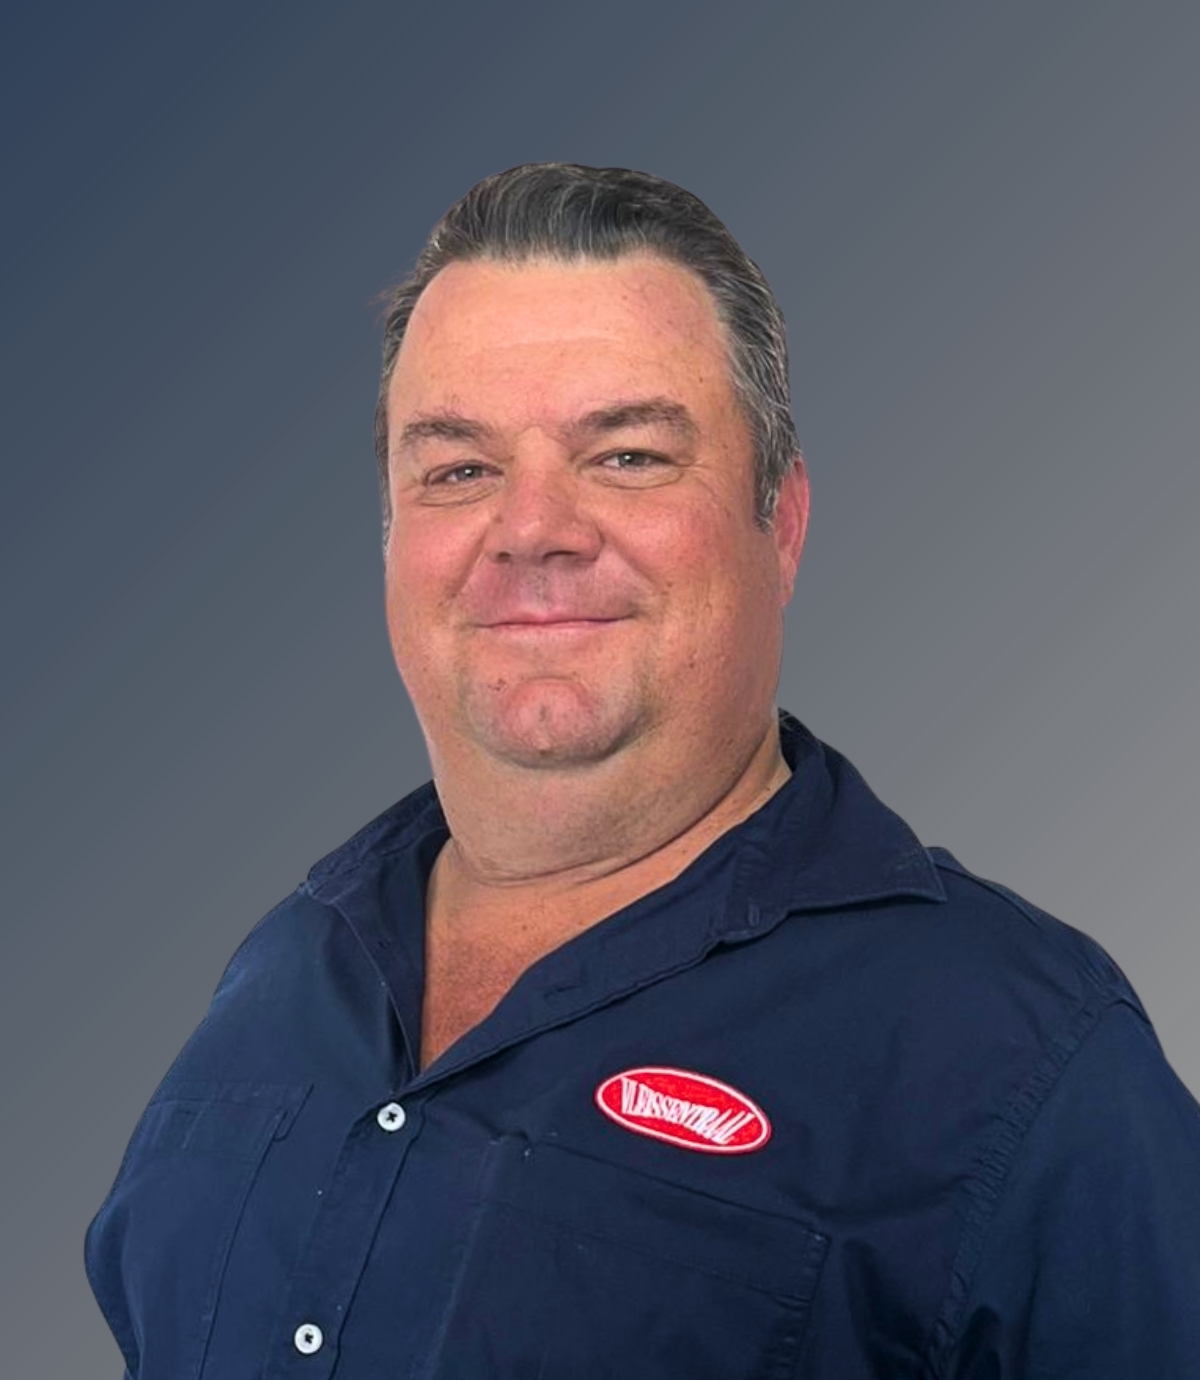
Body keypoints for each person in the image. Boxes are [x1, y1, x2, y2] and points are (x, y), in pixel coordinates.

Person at [86, 163, 1200, 1379]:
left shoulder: (1022, 1062)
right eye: (459, 469)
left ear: (782, 523)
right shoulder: (284, 972)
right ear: (393, 536)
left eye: (625, 455)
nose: (532, 529)